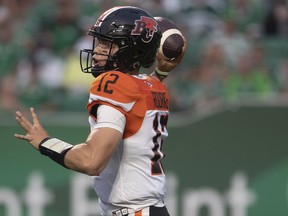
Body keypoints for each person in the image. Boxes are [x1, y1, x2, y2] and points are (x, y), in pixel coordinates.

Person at [14, 6, 186, 216]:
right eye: (100, 42)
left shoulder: (116, 84)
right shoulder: (154, 85)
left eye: (108, 44)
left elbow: (92, 160)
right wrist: (161, 71)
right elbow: (143, 90)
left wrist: (45, 142)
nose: (97, 51)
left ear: (132, 50)